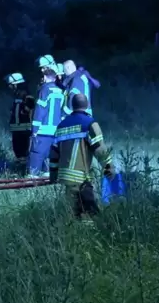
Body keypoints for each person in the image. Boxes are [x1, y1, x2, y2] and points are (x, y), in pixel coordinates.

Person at [49, 93, 114, 222]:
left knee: (73, 213)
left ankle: (74, 236)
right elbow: (100, 149)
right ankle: (89, 236)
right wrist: (108, 168)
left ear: (72, 106)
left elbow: (54, 153)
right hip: (80, 178)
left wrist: (53, 175)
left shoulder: (61, 126)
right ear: (87, 105)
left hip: (65, 178)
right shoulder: (89, 123)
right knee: (91, 215)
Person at [30, 55, 65, 177]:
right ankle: (48, 176)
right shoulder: (62, 90)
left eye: (43, 68)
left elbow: (40, 110)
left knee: (37, 153)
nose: (41, 71)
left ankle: (32, 177)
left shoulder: (45, 89)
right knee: (51, 156)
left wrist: (34, 130)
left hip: (43, 129)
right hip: (56, 130)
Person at [5, 72, 36, 172]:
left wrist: (24, 109)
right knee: (18, 152)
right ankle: (19, 170)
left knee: (23, 153)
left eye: (11, 84)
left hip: (24, 129)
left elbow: (30, 107)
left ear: (16, 84)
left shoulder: (26, 95)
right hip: (17, 130)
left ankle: (24, 171)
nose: (9, 87)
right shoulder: (17, 96)